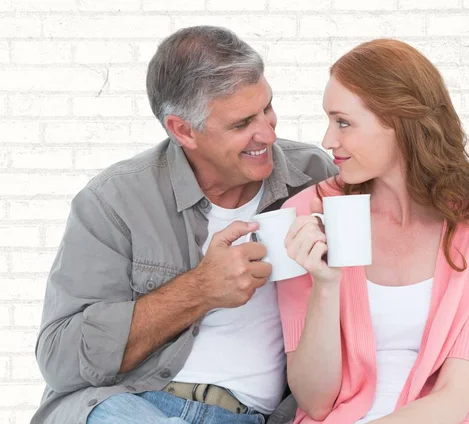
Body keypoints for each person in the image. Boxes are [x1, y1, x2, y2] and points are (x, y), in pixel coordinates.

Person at [30, 26, 337, 424]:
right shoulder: (115, 201)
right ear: (182, 130)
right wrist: (201, 290)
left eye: (267, 107)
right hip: (133, 405)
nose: (268, 132)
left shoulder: (313, 177)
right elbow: (60, 358)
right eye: (242, 123)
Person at [277, 39, 469, 424]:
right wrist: (326, 283)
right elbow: (315, 401)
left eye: (343, 122)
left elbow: (456, 395)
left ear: (398, 123)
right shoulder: (307, 215)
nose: (328, 141)